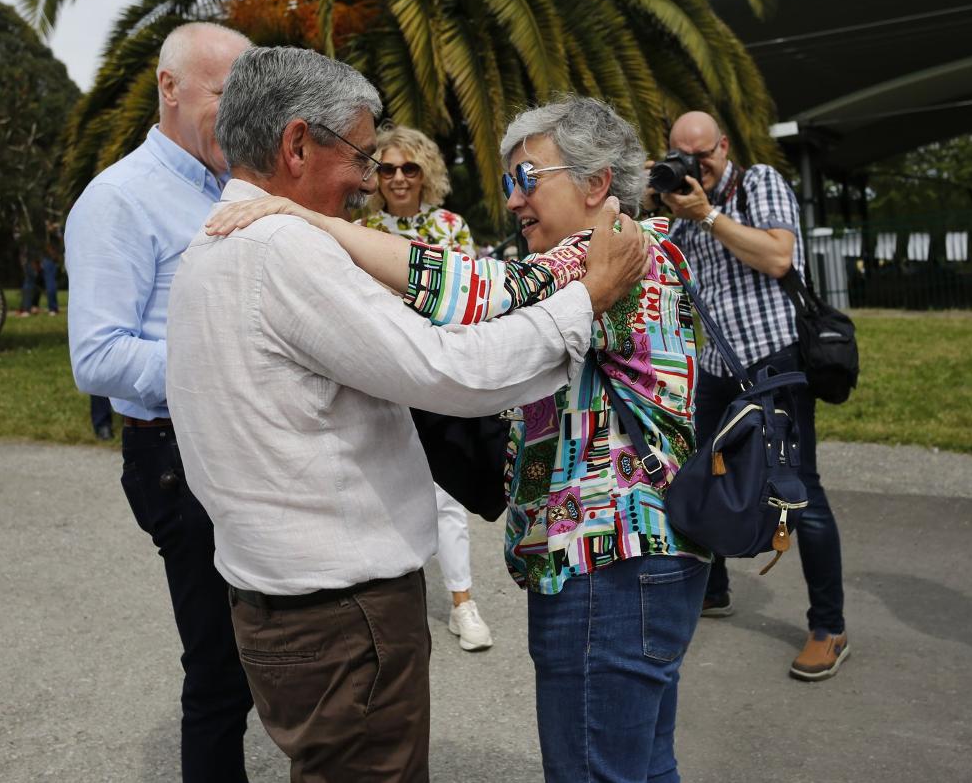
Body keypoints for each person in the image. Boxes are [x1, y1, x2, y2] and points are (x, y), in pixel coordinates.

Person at [168, 52, 647, 781]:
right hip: (342, 617)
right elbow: (448, 370)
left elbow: (462, 294)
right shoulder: (280, 247)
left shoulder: (217, 242)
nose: (372, 177)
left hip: (282, 602)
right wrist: (586, 302)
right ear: (298, 144)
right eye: (361, 154)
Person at [64, 22, 256, 781]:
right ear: (169, 89)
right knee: (218, 678)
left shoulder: (233, 187)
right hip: (176, 457)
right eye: (222, 94)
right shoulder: (118, 199)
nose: (239, 114)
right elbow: (97, 356)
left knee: (262, 660)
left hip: (237, 444)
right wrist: (235, 362)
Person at [647, 110, 850, 681]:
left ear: (724, 146)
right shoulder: (682, 203)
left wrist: (707, 213)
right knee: (697, 472)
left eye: (704, 154)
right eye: (683, 154)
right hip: (718, 365)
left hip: (776, 359)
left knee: (795, 488)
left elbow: (778, 255)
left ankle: (827, 627)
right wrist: (650, 193)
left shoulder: (755, 183)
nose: (697, 165)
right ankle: (711, 589)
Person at [360, 124, 492, 651]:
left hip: (436, 372)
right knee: (381, 492)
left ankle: (463, 603)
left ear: (425, 174)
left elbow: (467, 301)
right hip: (381, 373)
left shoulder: (451, 227)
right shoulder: (360, 226)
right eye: (387, 168)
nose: (397, 177)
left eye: (408, 168)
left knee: (446, 493)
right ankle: (390, 613)